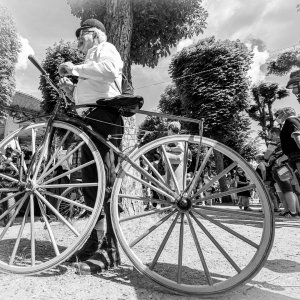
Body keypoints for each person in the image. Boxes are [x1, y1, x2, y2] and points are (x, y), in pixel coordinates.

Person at [58, 19, 124, 274]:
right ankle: (96, 240)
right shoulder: (89, 61)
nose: (78, 40)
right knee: (90, 183)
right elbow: (85, 95)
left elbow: (109, 70)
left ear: (95, 34)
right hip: (89, 119)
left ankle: (111, 248)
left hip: (105, 115)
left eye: (81, 34)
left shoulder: (105, 48)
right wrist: (70, 91)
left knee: (105, 181)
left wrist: (75, 69)